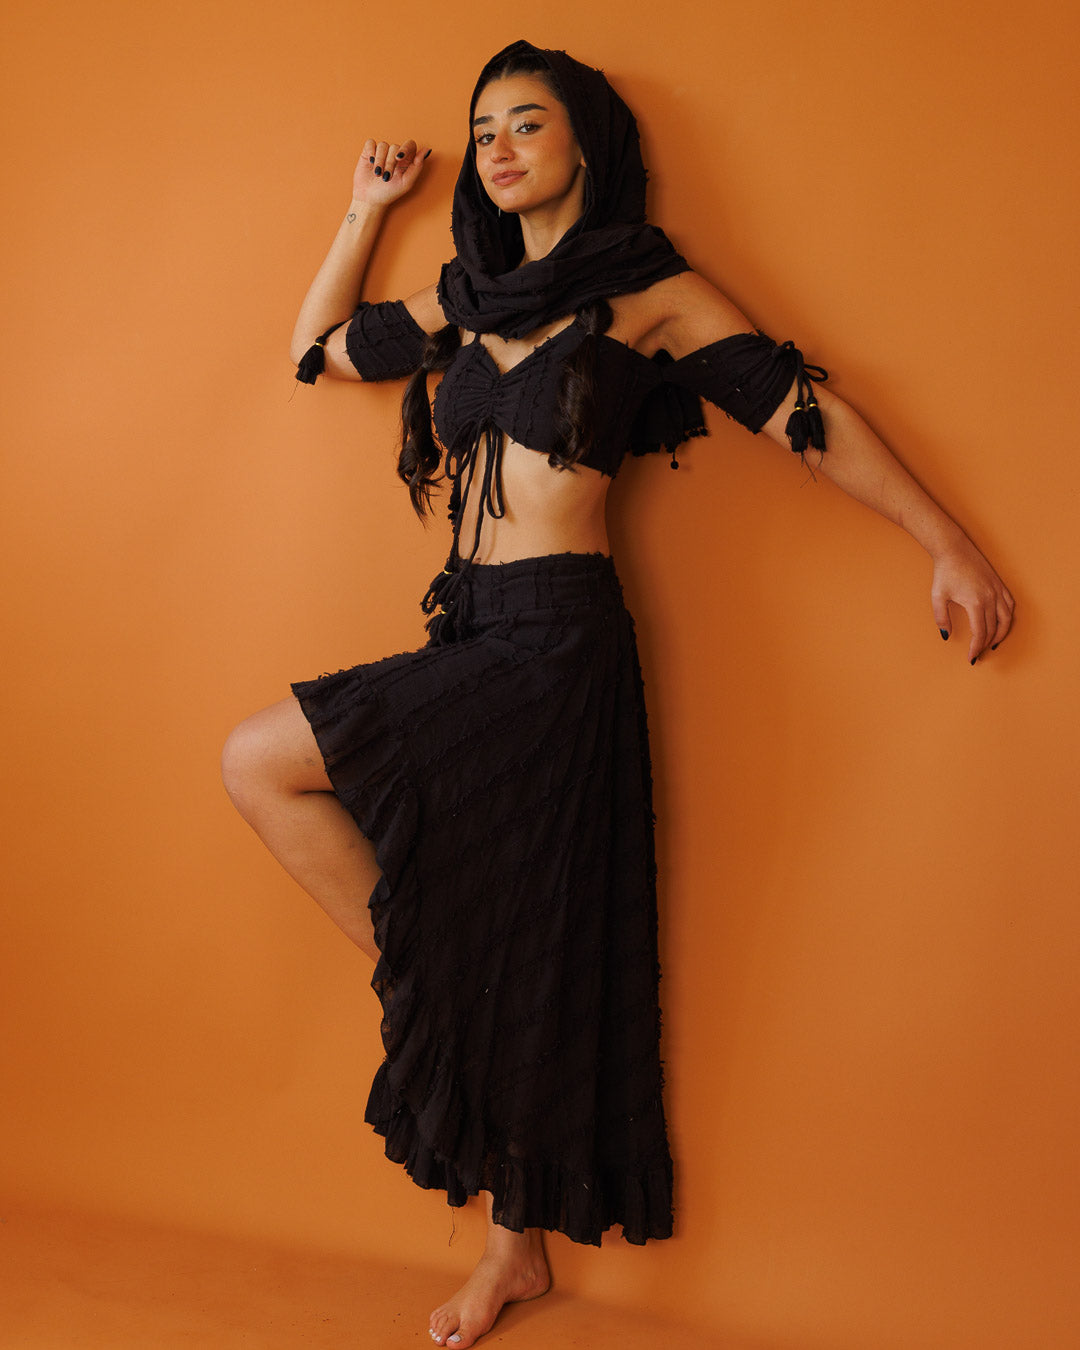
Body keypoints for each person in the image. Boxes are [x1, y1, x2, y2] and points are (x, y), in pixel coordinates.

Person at [221, 39, 1014, 1350]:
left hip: (559, 645)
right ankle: (505, 1201)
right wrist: (363, 209)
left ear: (585, 140)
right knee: (315, 799)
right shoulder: (467, 298)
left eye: (527, 123)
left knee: (527, 932)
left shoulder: (647, 290)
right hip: (468, 626)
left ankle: (508, 1239)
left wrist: (949, 544)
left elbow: (806, 415)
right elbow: (316, 351)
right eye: (485, 128)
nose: (498, 147)